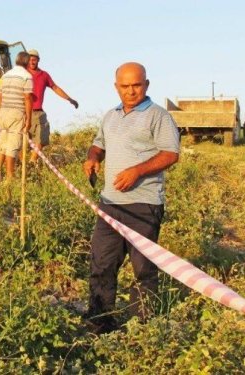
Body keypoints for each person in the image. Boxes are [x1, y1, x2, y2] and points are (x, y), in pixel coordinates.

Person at [83, 62, 180, 333]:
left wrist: (137, 171)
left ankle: (144, 329)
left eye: (136, 85)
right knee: (102, 263)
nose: (131, 91)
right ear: (116, 87)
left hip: (143, 205)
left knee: (143, 268)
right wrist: (92, 158)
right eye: (124, 86)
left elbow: (170, 153)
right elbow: (99, 143)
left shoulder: (158, 116)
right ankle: (100, 323)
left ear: (146, 85)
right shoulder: (110, 116)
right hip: (109, 204)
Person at [26, 49, 78, 162]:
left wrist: (69, 99)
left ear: (38, 60)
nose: (31, 62)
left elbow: (55, 87)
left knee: (41, 139)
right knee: (22, 142)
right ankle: (23, 167)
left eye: (34, 59)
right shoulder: (22, 74)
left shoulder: (44, 75)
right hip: (23, 112)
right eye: (29, 60)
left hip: (38, 112)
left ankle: (32, 162)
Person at [0, 51, 33, 182]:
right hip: (17, 113)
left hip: (3, 112)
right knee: (13, 147)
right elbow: (27, 98)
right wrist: (28, 119)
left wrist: (4, 108)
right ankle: (10, 178)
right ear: (27, 62)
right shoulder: (26, 76)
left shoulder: (5, 76)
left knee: (2, 146)